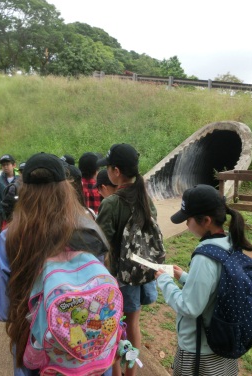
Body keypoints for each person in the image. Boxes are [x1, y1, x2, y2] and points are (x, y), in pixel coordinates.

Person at [0, 152, 111, 375]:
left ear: (24, 192)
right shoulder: (91, 230)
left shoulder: (11, 238)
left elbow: (2, 310)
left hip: (37, 351)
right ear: (66, 190)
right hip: (87, 350)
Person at [154, 184, 252, 375]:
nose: (186, 224)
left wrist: (164, 281)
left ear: (206, 220)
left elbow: (189, 307)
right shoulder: (230, 242)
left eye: (188, 219)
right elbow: (216, 285)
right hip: (223, 342)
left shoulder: (204, 256)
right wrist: (184, 277)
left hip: (199, 351)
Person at [95, 143, 158, 376]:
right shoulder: (146, 199)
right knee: (133, 326)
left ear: (116, 172)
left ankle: (116, 371)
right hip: (142, 274)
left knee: (110, 326)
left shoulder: (112, 203)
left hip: (118, 278)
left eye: (109, 168)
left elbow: (99, 244)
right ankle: (130, 371)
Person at [0, 154, 17, 263]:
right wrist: (0, 211)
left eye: (8, 164)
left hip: (15, 211)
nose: (5, 167)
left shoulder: (19, 179)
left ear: (13, 165)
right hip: (1, 211)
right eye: (3, 165)